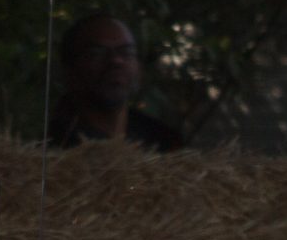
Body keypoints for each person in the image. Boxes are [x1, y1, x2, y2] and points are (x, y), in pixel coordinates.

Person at [46, 13, 185, 152]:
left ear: (139, 67)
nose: (116, 61)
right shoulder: (52, 147)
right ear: (69, 69)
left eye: (126, 52)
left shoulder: (161, 140)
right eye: (97, 53)